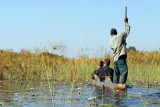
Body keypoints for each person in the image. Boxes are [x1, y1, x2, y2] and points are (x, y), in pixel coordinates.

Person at [109, 17, 130, 84]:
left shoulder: (110, 41)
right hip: (120, 57)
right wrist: (126, 22)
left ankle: (115, 86)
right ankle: (122, 85)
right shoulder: (120, 36)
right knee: (124, 71)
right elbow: (127, 31)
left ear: (111, 34)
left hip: (115, 59)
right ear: (116, 32)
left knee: (116, 74)